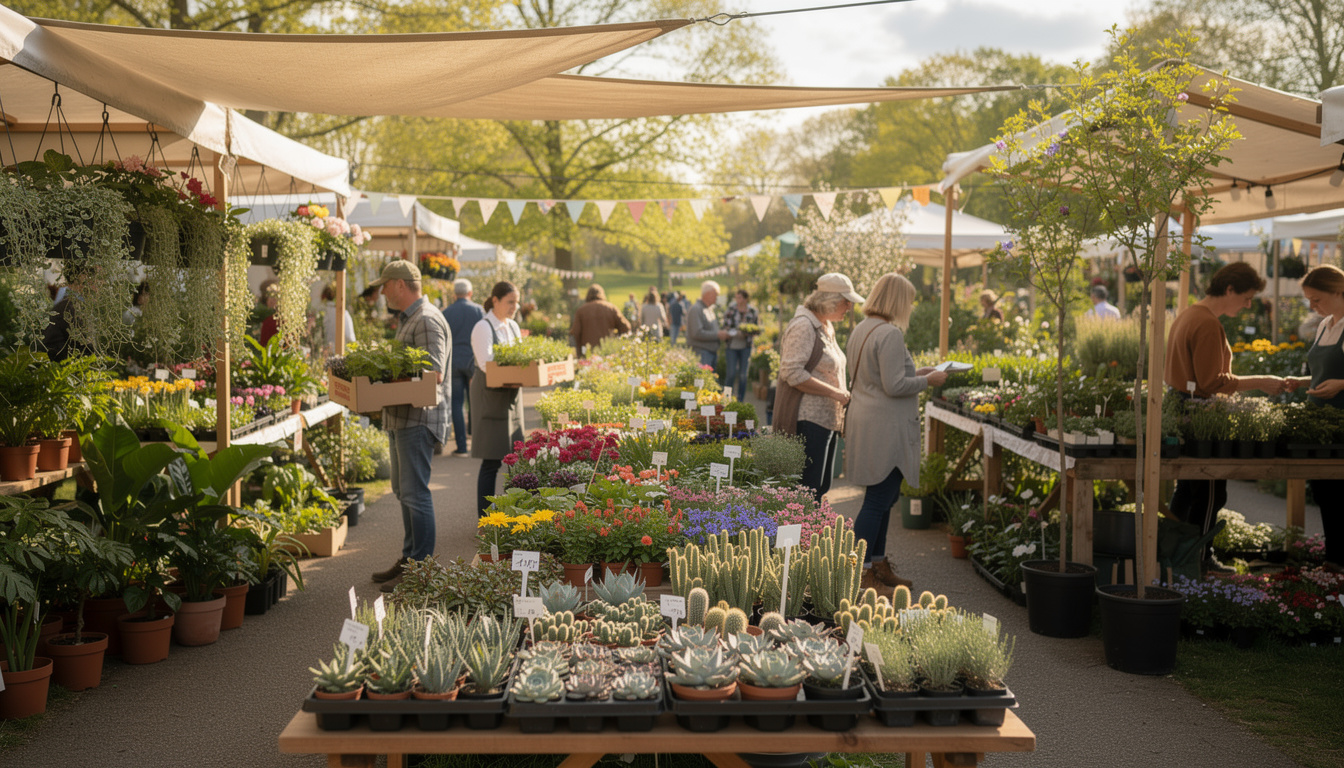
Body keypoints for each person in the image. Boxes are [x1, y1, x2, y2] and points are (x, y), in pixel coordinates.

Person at [1165, 262, 1285, 569]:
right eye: (1245, 298)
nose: (1247, 306)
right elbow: (1212, 383)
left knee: (1188, 488)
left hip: (1182, 407)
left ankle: (1172, 554)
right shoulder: (1206, 323)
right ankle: (1200, 559)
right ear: (1229, 289)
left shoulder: (1191, 313)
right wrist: (1262, 381)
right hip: (1199, 414)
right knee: (1209, 492)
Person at [845, 273, 948, 591]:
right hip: (885, 427)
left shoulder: (862, 329)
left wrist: (915, 372)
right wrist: (928, 381)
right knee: (878, 500)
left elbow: (877, 377)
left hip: (868, 421)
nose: (912, 306)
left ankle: (876, 563)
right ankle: (862, 573)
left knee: (883, 498)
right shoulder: (888, 333)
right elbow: (893, 386)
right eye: (910, 300)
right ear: (897, 300)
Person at [366, 260, 451, 593]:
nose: (383, 291)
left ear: (400, 285)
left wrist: (390, 383)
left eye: (385, 285)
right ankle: (409, 560)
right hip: (401, 416)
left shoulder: (427, 320)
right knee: (405, 491)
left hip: (417, 418)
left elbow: (433, 374)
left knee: (416, 494)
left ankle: (420, 571)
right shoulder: (411, 318)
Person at [773, 274, 856, 502]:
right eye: (845, 301)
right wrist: (834, 392)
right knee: (807, 492)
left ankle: (810, 535)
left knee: (820, 488)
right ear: (829, 301)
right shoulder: (804, 326)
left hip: (826, 419)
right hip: (808, 421)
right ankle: (800, 537)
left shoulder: (824, 326)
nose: (849, 307)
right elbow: (791, 372)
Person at [1285, 265, 1344, 570]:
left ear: (1338, 291)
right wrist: (1301, 382)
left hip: (1341, 425)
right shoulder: (1325, 325)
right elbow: (1322, 374)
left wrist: (1342, 385)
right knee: (1325, 492)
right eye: (1309, 300)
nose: (1312, 307)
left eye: (1317, 299)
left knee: (1340, 494)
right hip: (1321, 425)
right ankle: (1334, 562)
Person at [471, 281, 526, 517]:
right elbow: (486, 364)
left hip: (512, 395)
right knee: (492, 459)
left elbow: (521, 357)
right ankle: (485, 517)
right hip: (491, 395)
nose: (515, 306)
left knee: (515, 457)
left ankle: (512, 512)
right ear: (495, 301)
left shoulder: (512, 326)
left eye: (517, 301)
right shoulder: (483, 327)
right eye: (510, 301)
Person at [443, 278, 484, 457]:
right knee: (474, 401)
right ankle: (477, 442)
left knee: (456, 404)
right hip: (472, 361)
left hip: (453, 362)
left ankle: (461, 446)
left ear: (454, 294)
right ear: (470, 293)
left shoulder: (446, 313)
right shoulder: (478, 310)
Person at [571, 284, 631, 357]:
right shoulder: (611, 308)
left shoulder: (581, 310)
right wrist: (617, 340)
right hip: (608, 351)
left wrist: (579, 352)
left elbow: (576, 332)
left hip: (588, 351)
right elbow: (626, 327)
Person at [723, 289, 760, 401]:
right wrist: (733, 331)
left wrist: (747, 332)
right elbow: (725, 325)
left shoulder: (753, 311)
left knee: (743, 375)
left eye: (740, 297)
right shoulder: (731, 309)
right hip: (732, 346)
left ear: (745, 299)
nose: (738, 300)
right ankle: (726, 399)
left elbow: (756, 328)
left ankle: (740, 400)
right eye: (736, 297)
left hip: (746, 346)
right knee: (731, 374)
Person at [686, 280, 728, 372]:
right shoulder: (696, 309)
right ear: (708, 294)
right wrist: (717, 335)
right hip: (702, 352)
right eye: (716, 294)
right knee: (702, 382)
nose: (717, 297)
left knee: (708, 382)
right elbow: (697, 333)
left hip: (710, 352)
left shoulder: (708, 309)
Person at [319, 283, 357, 355]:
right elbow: (350, 338)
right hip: (341, 355)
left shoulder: (322, 312)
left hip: (324, 354)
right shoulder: (344, 314)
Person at [257, 279, 280, 345]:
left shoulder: (278, 319)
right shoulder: (266, 320)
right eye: (269, 296)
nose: (273, 300)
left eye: (275, 296)